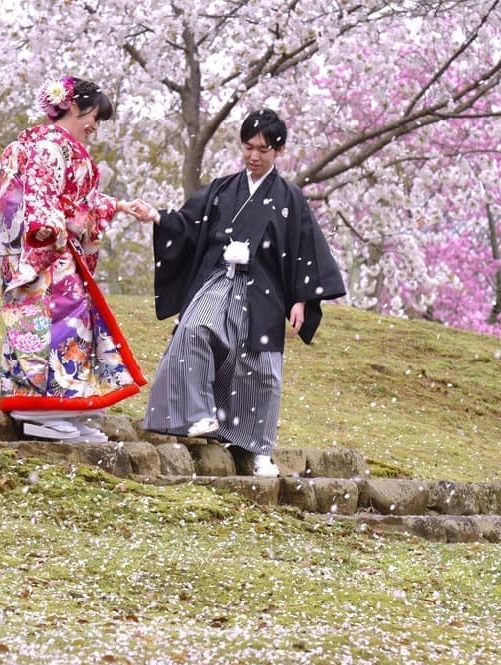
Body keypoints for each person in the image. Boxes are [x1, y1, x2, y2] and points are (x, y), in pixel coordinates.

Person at [128, 109, 346, 476]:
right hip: (219, 279)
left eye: (263, 148)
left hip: (264, 291)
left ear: (278, 151)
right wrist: (158, 217)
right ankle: (195, 414)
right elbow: (189, 223)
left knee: (259, 368)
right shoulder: (223, 188)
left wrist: (303, 298)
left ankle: (257, 447)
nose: (254, 156)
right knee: (194, 331)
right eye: (248, 147)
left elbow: (307, 249)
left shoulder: (290, 198)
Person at [0, 76, 147, 442]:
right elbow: (43, 204)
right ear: (75, 107)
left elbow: (78, 203)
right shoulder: (49, 147)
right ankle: (43, 407)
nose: (95, 125)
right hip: (46, 255)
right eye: (94, 115)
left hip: (58, 252)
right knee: (59, 323)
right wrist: (50, 230)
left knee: (71, 324)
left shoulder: (58, 147)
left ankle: (63, 405)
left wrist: (117, 205)